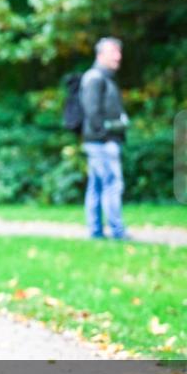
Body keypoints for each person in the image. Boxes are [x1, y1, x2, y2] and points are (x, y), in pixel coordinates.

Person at [80, 37, 129, 240]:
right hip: (102, 143)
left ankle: (96, 231)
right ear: (100, 55)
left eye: (119, 52)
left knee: (97, 186)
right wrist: (106, 134)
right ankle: (117, 232)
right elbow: (92, 112)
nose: (118, 57)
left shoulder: (104, 78)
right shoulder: (95, 78)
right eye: (113, 53)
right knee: (112, 185)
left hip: (99, 141)